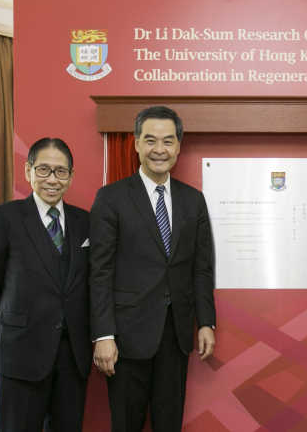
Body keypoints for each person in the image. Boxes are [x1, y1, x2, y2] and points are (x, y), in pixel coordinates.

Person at [90, 106, 217, 431]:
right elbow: (100, 271)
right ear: (135, 144)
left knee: (169, 423)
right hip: (126, 339)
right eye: (150, 140)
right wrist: (103, 335)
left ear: (178, 146)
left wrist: (206, 322)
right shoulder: (111, 198)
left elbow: (201, 268)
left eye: (167, 141)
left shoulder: (193, 200)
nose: (159, 149)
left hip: (175, 336)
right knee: (126, 424)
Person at [0, 138, 91, 432]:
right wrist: (11, 331)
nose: (52, 180)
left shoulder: (86, 222)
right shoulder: (6, 217)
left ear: (71, 176)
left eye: (60, 171)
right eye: (43, 170)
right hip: (21, 355)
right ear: (28, 170)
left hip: (72, 359)